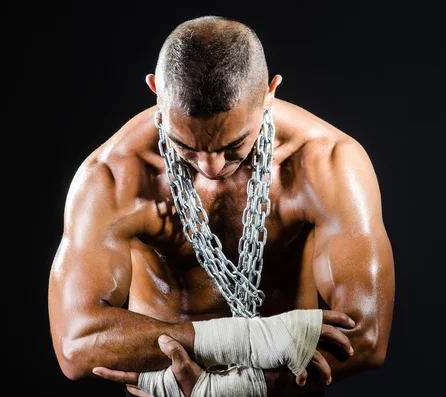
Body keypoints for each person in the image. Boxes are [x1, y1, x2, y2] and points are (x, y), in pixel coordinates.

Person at [47, 15, 395, 397]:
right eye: (185, 146)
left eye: (233, 147)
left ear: (270, 92)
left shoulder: (328, 163)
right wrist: (242, 342)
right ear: (155, 91)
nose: (210, 167)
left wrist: (230, 391)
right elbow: (75, 343)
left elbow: (365, 336)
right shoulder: (113, 176)